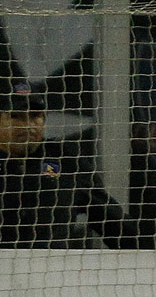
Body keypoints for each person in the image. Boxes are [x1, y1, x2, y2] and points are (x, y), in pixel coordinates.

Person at [0, 79, 145, 249]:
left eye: (35, 116)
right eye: (16, 116)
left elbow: (114, 223)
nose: (28, 125)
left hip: (51, 264)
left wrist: (150, 250)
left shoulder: (66, 161)